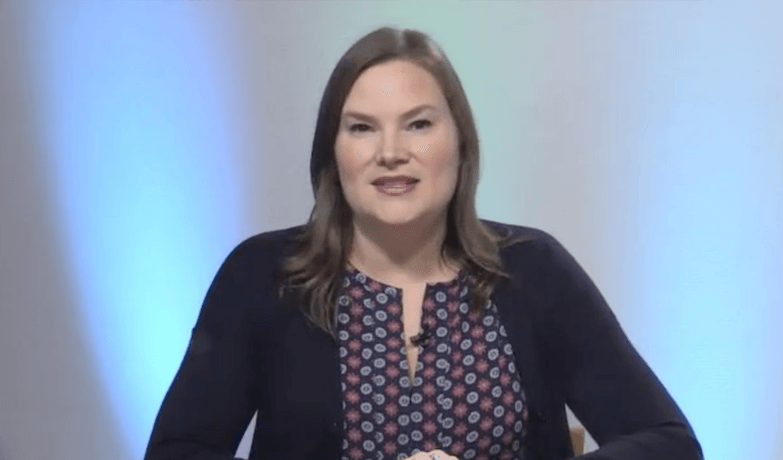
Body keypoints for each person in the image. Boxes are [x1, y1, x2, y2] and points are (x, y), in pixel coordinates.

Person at [144, 27, 703, 460]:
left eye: (418, 124)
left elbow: (670, 444)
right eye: (362, 127)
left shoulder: (534, 270)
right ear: (333, 153)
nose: (391, 152)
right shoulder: (264, 275)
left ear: (460, 143)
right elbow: (178, 452)